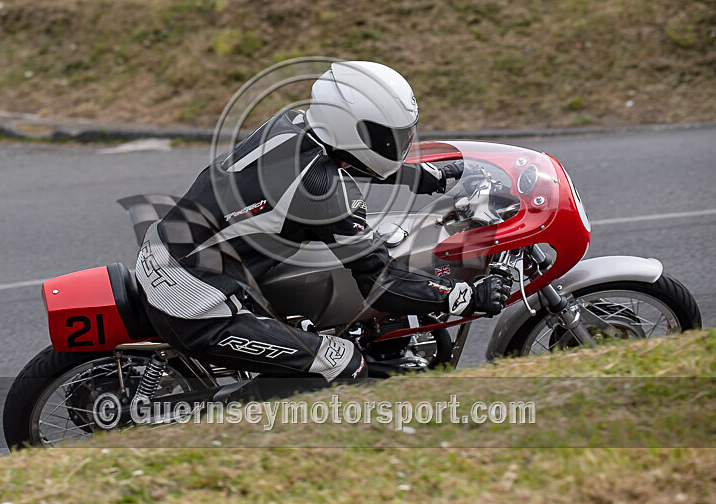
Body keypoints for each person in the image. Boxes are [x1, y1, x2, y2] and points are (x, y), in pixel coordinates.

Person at [135, 61, 511, 398]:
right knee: (344, 365)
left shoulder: (292, 125)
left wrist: (425, 175)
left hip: (172, 253)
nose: (399, 147)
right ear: (354, 131)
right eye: (390, 139)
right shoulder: (323, 193)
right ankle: (229, 425)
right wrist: (464, 297)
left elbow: (345, 157)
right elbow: (382, 284)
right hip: (194, 304)